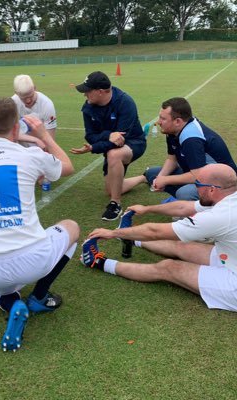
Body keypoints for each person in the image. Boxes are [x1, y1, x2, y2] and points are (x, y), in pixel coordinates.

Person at [0, 97, 79, 351]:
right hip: (33, 258)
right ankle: (39, 296)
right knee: (71, 226)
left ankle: (13, 304)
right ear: (16, 127)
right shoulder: (30, 155)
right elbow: (68, 166)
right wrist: (45, 137)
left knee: (1, 294)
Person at [83, 163, 237, 312]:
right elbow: (183, 207)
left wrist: (112, 233)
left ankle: (98, 262)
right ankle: (131, 239)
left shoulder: (220, 216)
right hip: (232, 256)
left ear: (211, 190)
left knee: (168, 267)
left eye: (198, 183)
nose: (195, 187)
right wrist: (146, 209)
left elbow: (155, 232)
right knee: (183, 246)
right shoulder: (226, 196)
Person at [122, 97, 237, 200]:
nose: (159, 122)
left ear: (177, 121)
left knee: (185, 194)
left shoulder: (191, 138)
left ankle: (205, 210)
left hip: (223, 184)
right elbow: (172, 159)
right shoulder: (172, 130)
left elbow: (198, 176)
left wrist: (166, 180)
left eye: (163, 119)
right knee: (153, 173)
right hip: (198, 174)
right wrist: (161, 177)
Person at [70, 71, 146, 221]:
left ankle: (115, 204)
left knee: (114, 154)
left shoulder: (125, 102)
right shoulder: (88, 107)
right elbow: (90, 136)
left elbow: (119, 141)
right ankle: (144, 177)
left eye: (87, 91)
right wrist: (107, 135)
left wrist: (94, 148)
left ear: (100, 92)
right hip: (110, 145)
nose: (84, 95)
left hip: (134, 143)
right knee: (110, 189)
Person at [12, 74, 57, 139]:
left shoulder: (47, 105)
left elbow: (50, 137)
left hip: (41, 146)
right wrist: (34, 140)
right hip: (20, 148)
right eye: (23, 98)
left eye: (31, 96)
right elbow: (10, 135)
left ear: (35, 88)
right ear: (16, 93)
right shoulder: (12, 104)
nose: (28, 101)